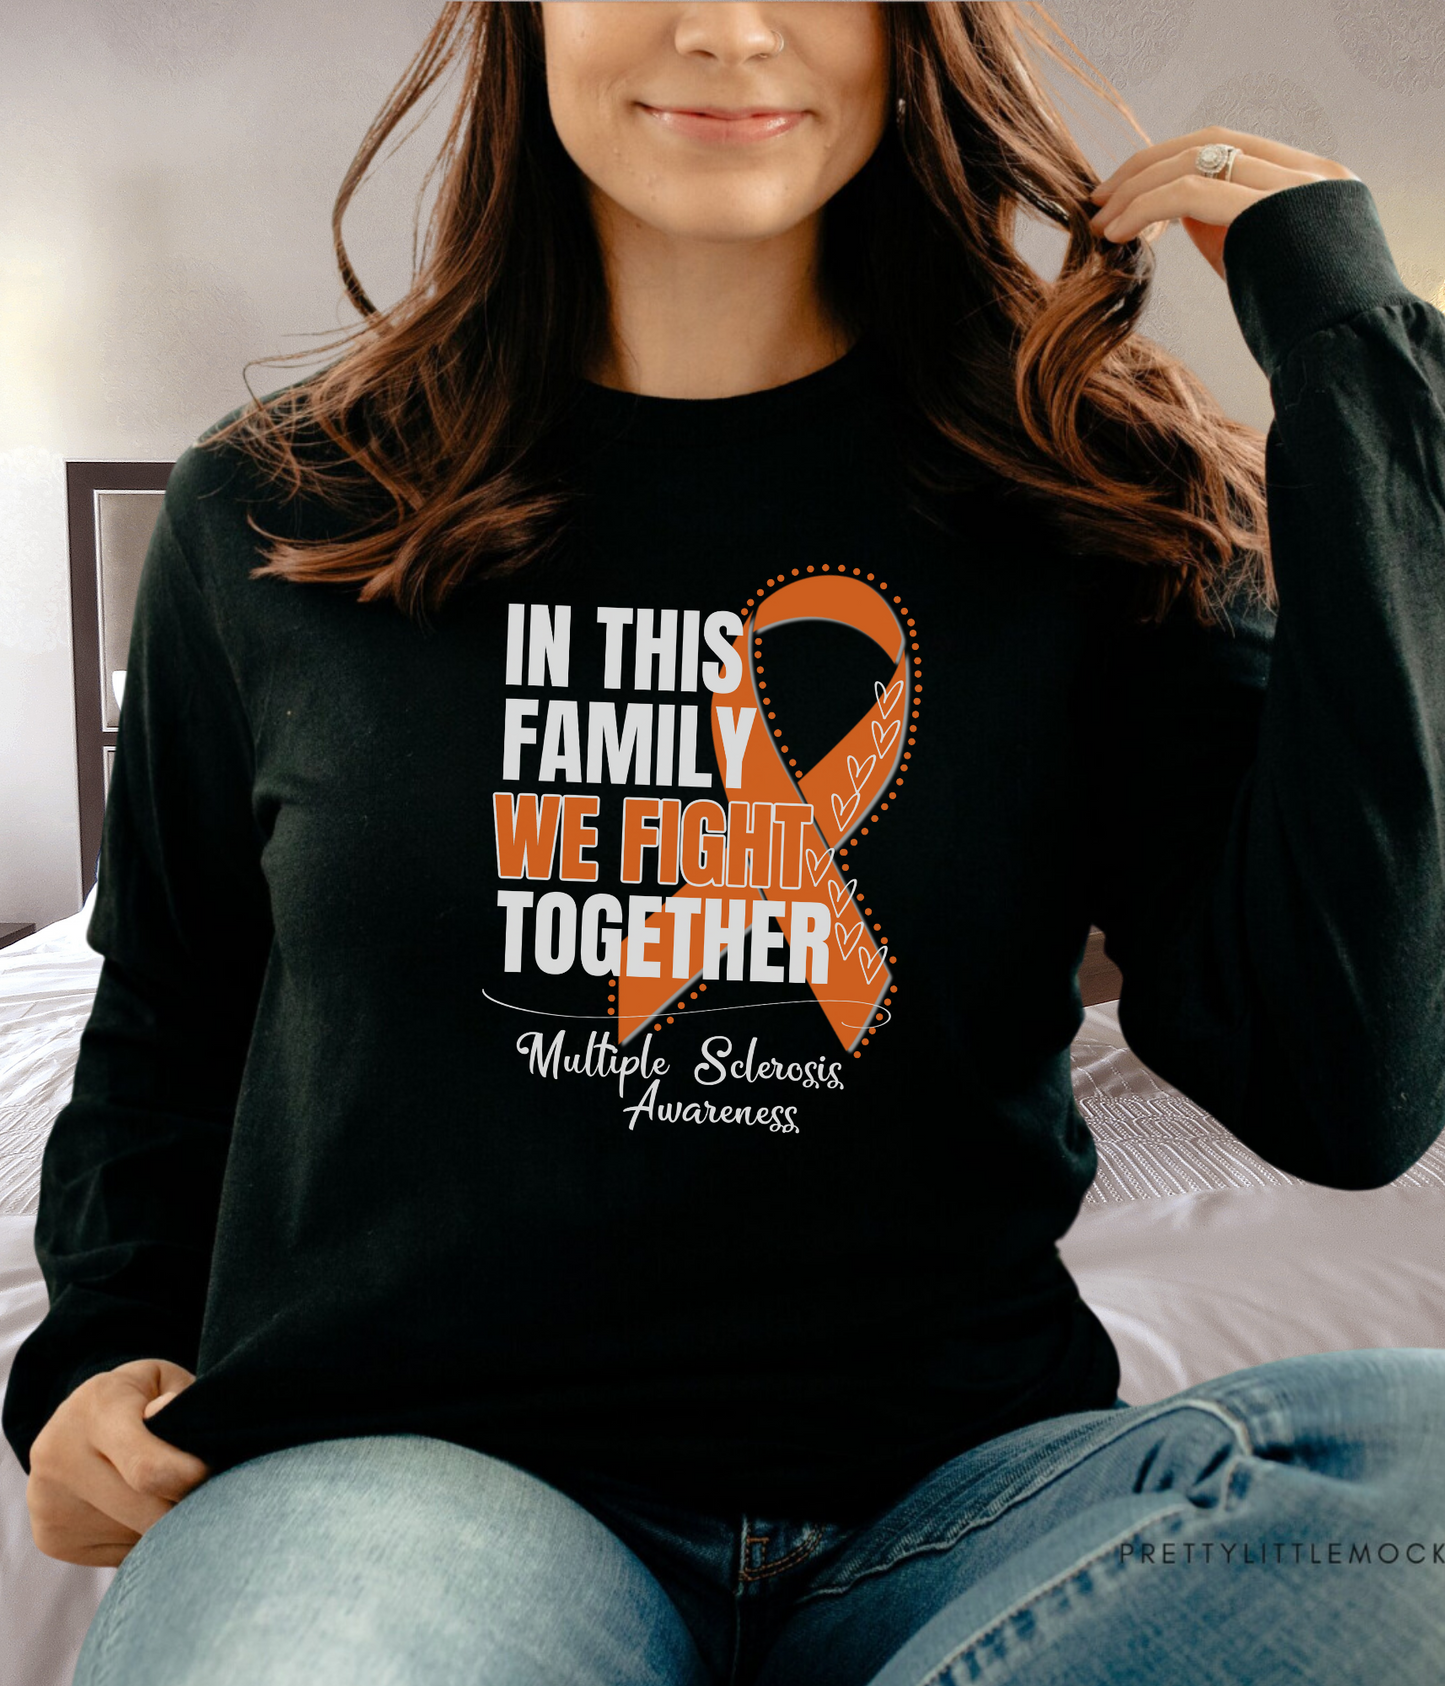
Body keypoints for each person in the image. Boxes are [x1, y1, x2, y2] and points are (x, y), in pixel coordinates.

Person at [6, 3, 1444, 1681]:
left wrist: (1357, 353)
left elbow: (1351, 1091)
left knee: (1407, 1472)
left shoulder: (1093, 508)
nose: (728, 27)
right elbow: (175, 1011)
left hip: (965, 1515)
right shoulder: (283, 509)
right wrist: (89, 1355)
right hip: (417, 1485)